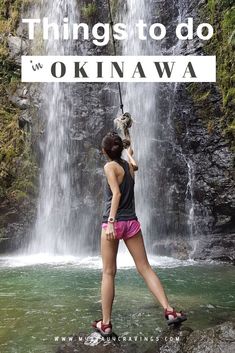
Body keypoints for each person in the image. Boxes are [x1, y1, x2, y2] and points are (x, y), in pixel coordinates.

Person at [92, 131, 187, 337]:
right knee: (145, 267)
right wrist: (129, 144)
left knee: (108, 272)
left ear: (104, 151)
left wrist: (110, 221)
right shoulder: (129, 166)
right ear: (120, 149)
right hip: (132, 223)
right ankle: (169, 310)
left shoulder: (109, 166)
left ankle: (106, 324)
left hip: (114, 224)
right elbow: (133, 160)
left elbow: (116, 193)